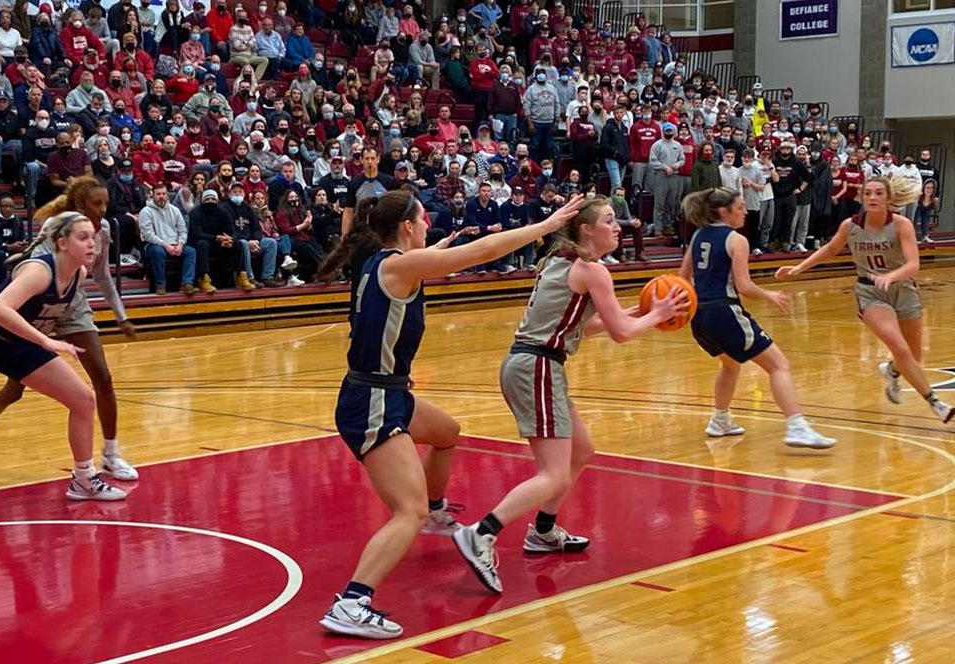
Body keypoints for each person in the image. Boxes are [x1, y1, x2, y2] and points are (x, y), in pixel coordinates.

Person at [315, 190, 586, 638]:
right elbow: (482, 251)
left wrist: (436, 252)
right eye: (424, 221)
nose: (428, 226)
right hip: (374, 400)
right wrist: (543, 227)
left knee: (446, 432)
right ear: (408, 227)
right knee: (408, 511)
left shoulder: (383, 262)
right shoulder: (399, 266)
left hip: (389, 392)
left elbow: (428, 261)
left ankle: (439, 512)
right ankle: (353, 601)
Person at [452, 195, 687, 595]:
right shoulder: (592, 270)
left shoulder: (560, 262)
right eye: (610, 220)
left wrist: (637, 310)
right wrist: (658, 315)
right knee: (554, 473)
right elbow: (622, 335)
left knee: (581, 451)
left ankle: (543, 531)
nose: (618, 226)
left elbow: (586, 325)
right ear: (586, 230)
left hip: (533, 363)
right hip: (537, 367)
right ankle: (481, 533)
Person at [776, 177, 955, 424]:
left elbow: (914, 265)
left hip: (903, 290)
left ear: (888, 199)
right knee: (901, 349)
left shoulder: (901, 225)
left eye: (879, 193)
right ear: (862, 197)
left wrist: (891, 275)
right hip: (870, 293)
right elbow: (829, 249)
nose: (872, 197)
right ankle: (938, 404)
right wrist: (799, 267)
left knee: (912, 356)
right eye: (868, 193)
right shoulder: (851, 226)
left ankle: (892, 371)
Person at [0, 178, 140, 482]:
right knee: (13, 391)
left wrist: (121, 315)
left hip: (69, 300)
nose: (103, 209)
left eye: (104, 202)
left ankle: (108, 456)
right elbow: (36, 267)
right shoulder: (58, 227)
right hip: (38, 300)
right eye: (96, 203)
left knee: (100, 377)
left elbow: (102, 278)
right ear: (79, 204)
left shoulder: (101, 232)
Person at [675, 187, 835, 449]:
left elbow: (682, 278)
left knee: (730, 365)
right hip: (725, 312)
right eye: (740, 207)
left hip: (700, 316)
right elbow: (744, 286)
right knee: (779, 365)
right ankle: (797, 427)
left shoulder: (698, 236)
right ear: (724, 212)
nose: (745, 211)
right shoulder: (736, 240)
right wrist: (769, 295)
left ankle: (720, 420)